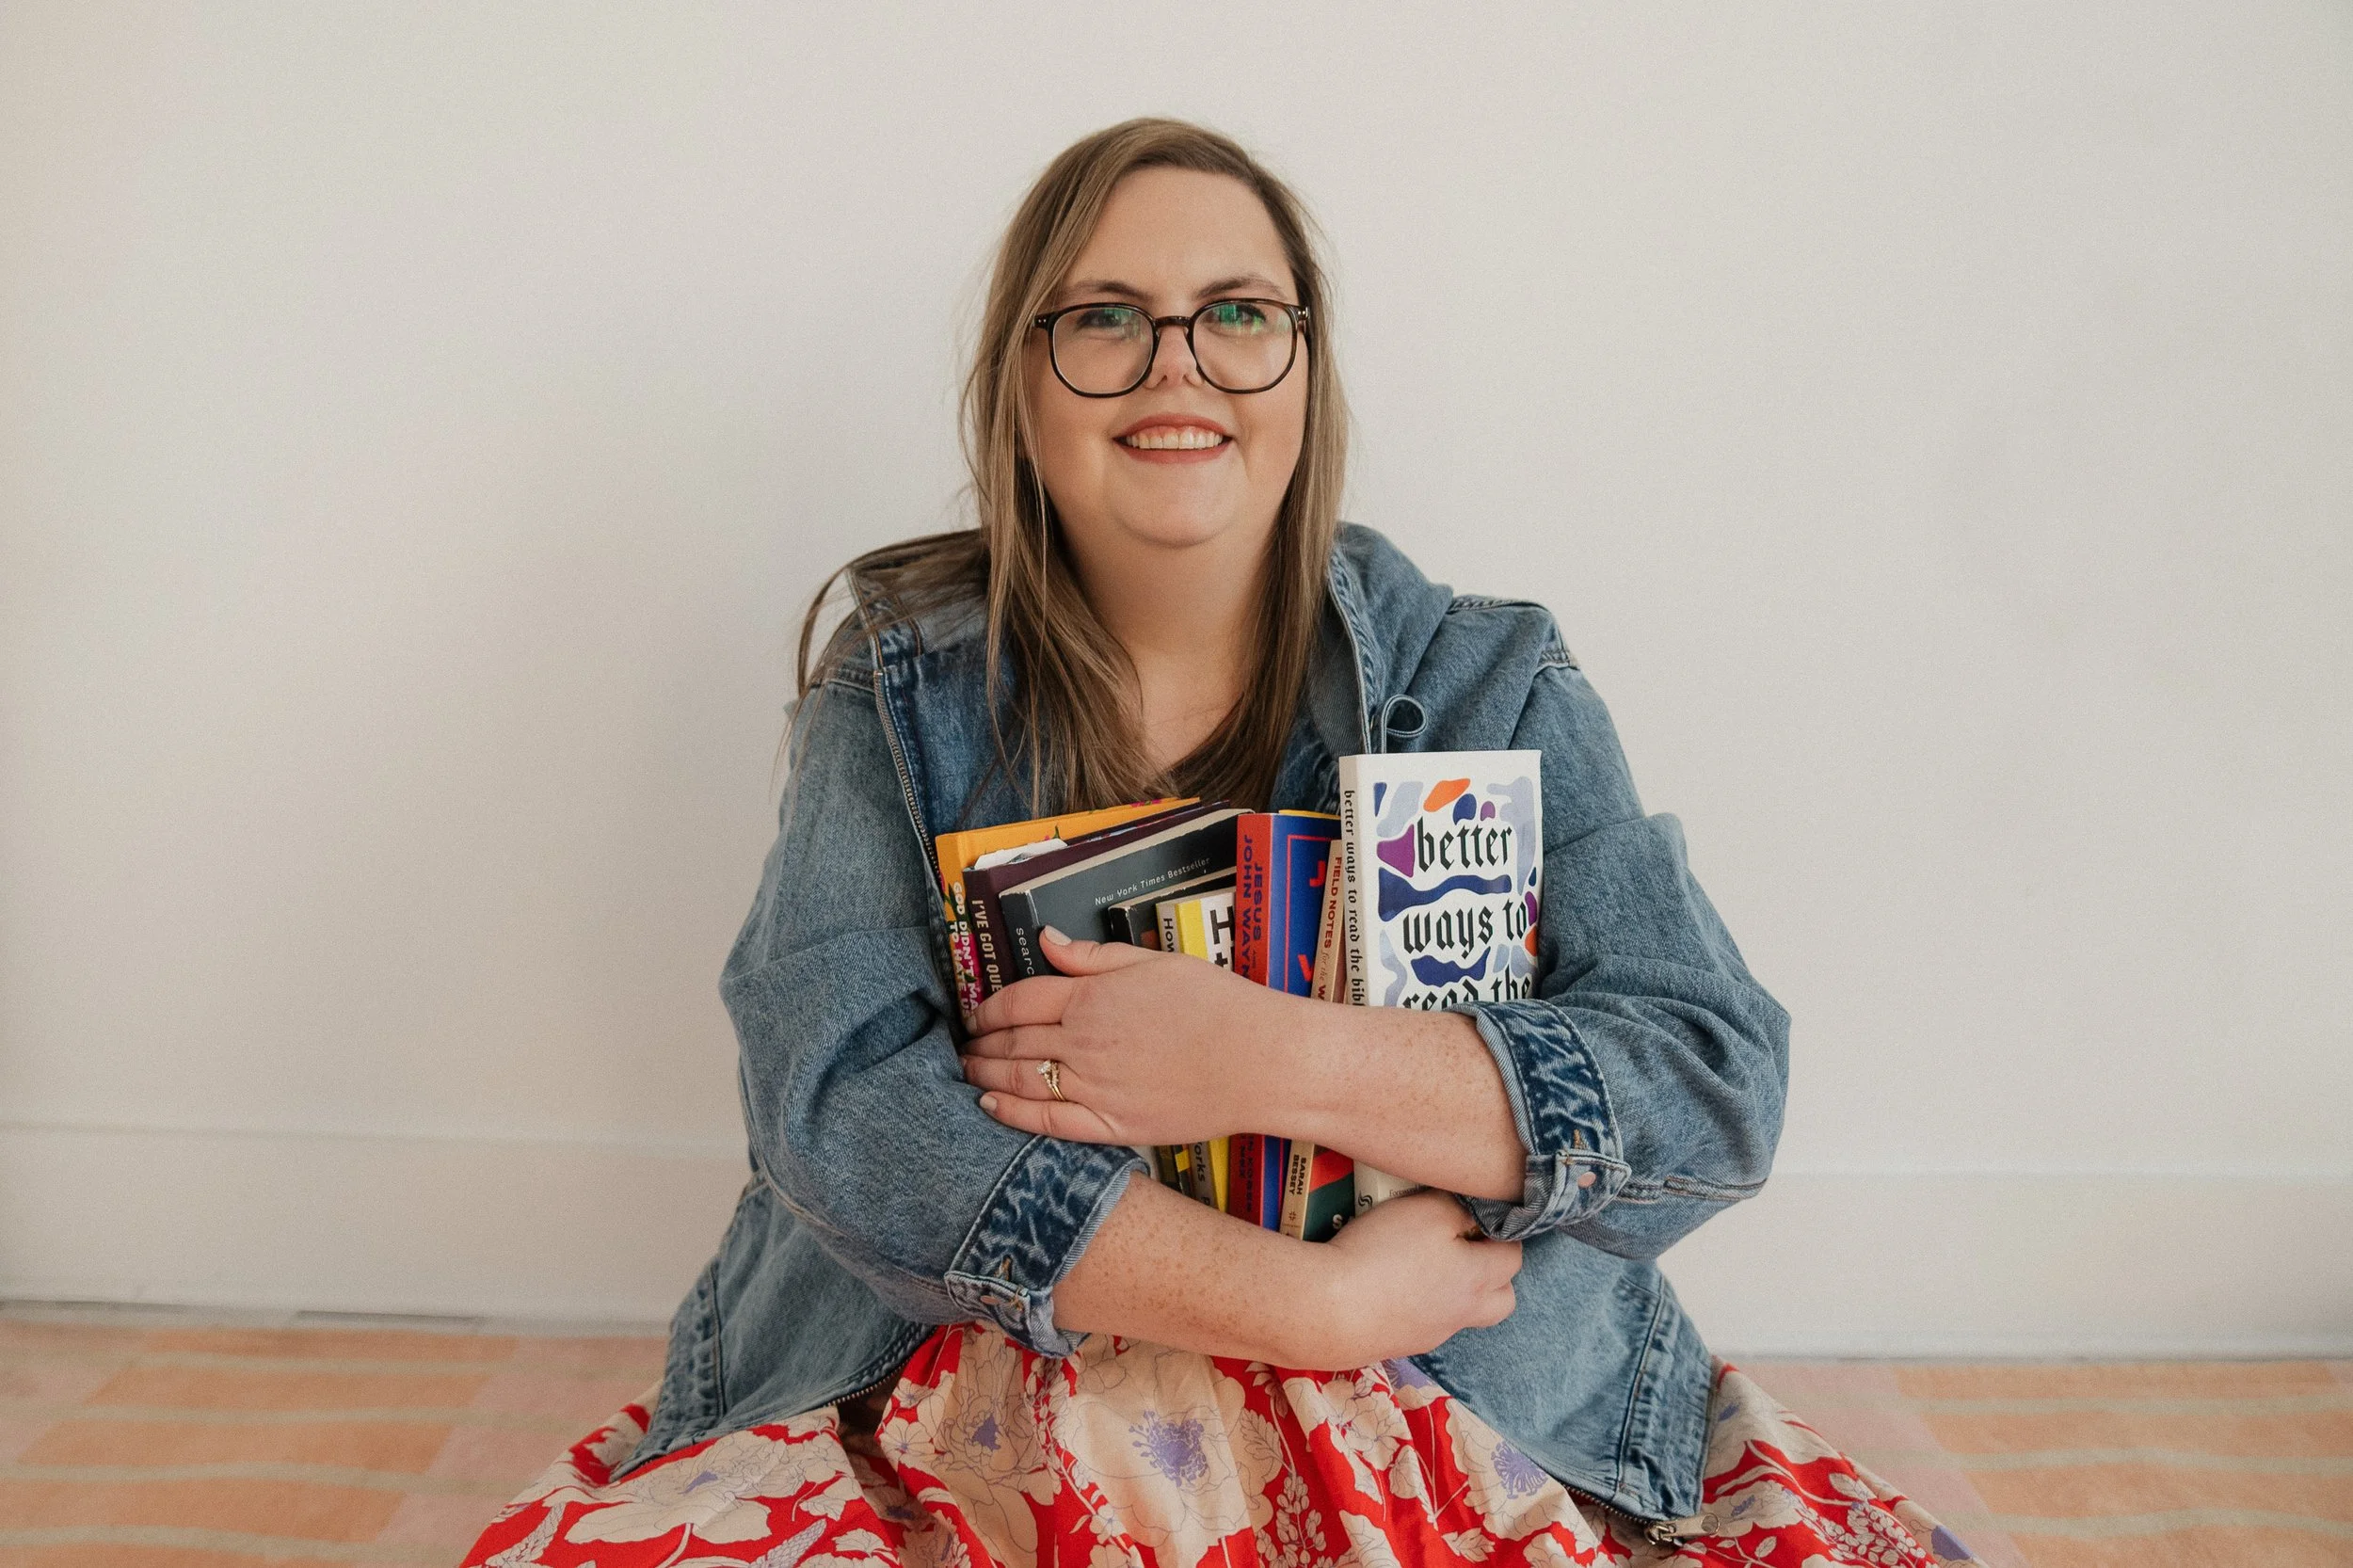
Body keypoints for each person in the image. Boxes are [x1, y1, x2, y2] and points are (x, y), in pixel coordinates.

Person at [462, 120, 1976, 1568]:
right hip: (985, 1390)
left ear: (1305, 368)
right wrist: (1298, 1304)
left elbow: (1710, 1082)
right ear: (1022, 383)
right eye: (1107, 318)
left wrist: (1262, 1057)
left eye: (1237, 313)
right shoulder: (903, 675)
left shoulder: (1487, 680)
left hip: (1451, 1382)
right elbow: (838, 1104)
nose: (1177, 364)